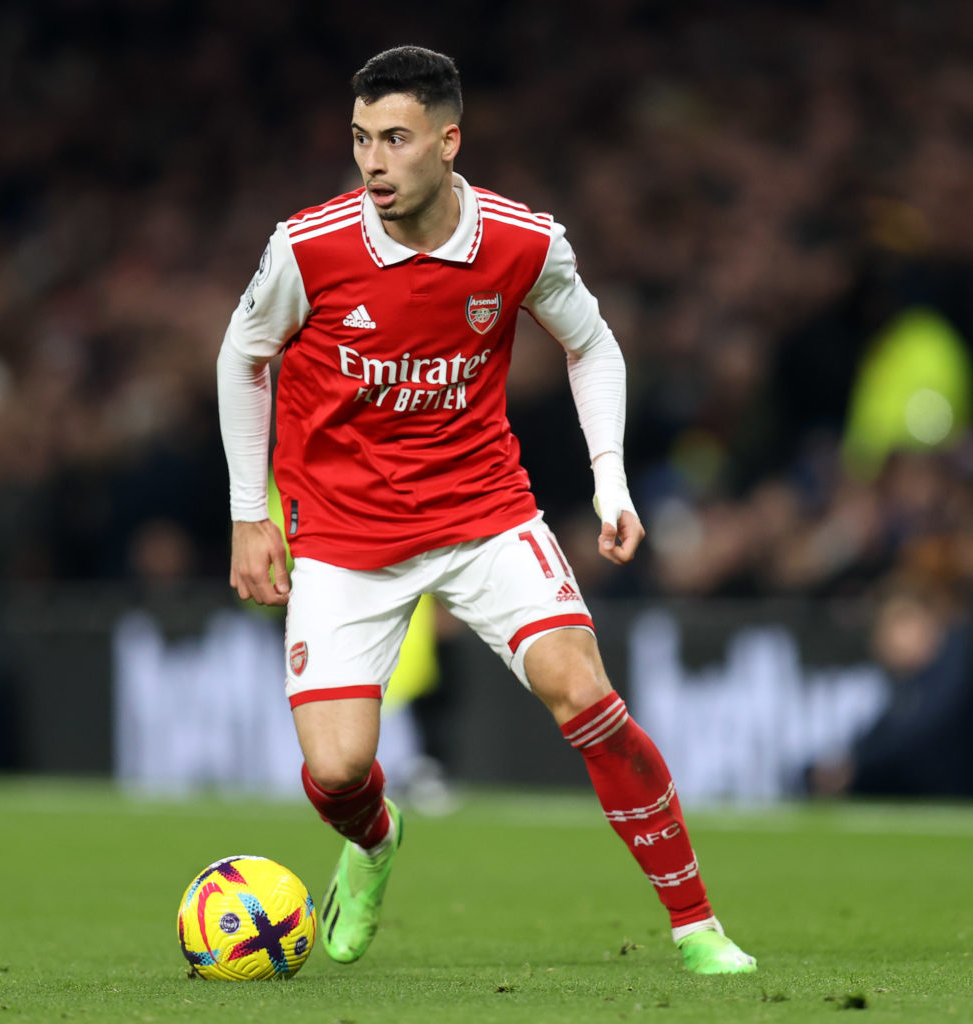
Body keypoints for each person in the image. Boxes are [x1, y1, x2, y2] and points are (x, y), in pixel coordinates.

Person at [216, 46, 755, 975]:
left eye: (395, 139)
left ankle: (698, 926)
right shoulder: (309, 248)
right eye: (360, 140)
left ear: (449, 141)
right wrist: (247, 513)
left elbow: (594, 346)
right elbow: (243, 356)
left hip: (484, 513)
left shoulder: (522, 241)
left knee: (585, 693)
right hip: (344, 538)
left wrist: (611, 480)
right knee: (338, 772)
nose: (373, 162)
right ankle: (376, 843)